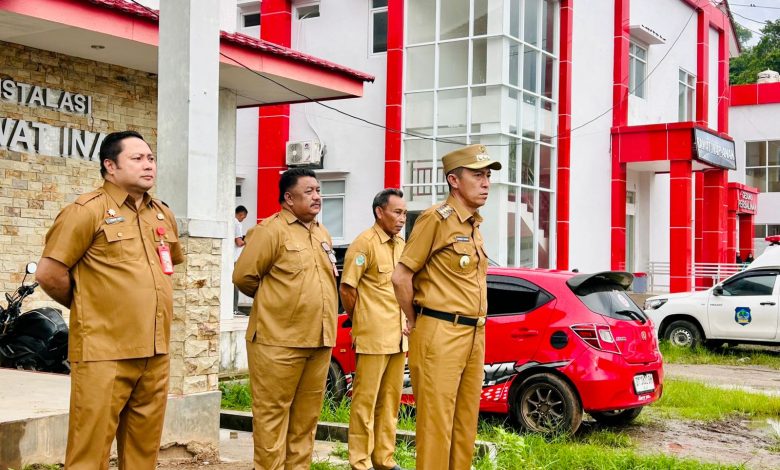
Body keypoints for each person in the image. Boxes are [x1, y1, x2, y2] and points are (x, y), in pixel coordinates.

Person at [35, 130, 184, 469]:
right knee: (90, 454)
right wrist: (90, 306)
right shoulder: (87, 210)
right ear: (110, 166)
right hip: (105, 352)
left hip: (154, 352)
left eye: (151, 158)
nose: (148, 165)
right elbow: (49, 273)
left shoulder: (161, 213)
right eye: (137, 158)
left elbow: (166, 267)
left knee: (143, 454)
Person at [392, 144, 500, 469]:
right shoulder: (435, 219)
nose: (486, 183)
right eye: (477, 175)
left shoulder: (472, 225)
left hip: (473, 333)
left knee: (465, 424)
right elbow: (401, 276)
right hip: (440, 331)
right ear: (454, 180)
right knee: (437, 425)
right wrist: (415, 320)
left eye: (488, 175)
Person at [233, 168, 338, 469]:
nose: (317, 196)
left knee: (306, 420)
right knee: (272, 418)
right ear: (289, 198)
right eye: (309, 191)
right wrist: (277, 302)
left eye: (318, 191)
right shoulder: (270, 231)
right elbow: (243, 277)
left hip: (318, 340)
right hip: (278, 341)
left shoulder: (321, 233)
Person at [340, 189, 408, 470]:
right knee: (365, 403)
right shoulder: (364, 244)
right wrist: (362, 320)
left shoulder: (401, 244)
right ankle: (360, 462)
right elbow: (347, 288)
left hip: (398, 337)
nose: (402, 218)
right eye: (397, 212)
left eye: (404, 213)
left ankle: (384, 459)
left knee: (390, 402)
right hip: (373, 336)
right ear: (380, 212)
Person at [233, 205, 248, 315]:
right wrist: (248, 240)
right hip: (235, 258)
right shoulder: (237, 224)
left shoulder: (231, 221)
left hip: (231, 257)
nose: (243, 219)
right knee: (236, 284)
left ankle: (233, 308)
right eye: (244, 217)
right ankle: (234, 308)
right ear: (241, 214)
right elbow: (239, 243)